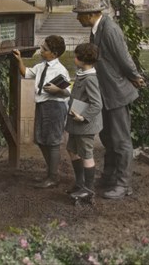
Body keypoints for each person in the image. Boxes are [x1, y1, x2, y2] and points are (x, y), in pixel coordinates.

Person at [73, 0, 144, 199]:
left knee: (121, 140)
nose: (78, 18)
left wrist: (135, 77)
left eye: (80, 15)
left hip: (117, 93)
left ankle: (123, 185)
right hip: (104, 93)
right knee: (107, 137)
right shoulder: (96, 31)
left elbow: (124, 57)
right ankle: (109, 177)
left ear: (92, 14)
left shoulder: (110, 29)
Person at [13, 35, 70, 188]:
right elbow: (26, 73)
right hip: (42, 105)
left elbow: (67, 92)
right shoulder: (41, 66)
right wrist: (19, 60)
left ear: (55, 54)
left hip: (55, 107)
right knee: (41, 139)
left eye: (45, 49)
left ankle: (53, 176)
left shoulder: (61, 70)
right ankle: (50, 173)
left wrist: (58, 89)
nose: (41, 50)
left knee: (52, 142)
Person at [65, 43, 102, 200]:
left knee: (86, 154)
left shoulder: (90, 79)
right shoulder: (82, 74)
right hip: (75, 122)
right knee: (72, 150)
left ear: (82, 59)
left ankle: (89, 189)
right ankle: (80, 183)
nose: (74, 58)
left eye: (76, 56)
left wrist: (84, 117)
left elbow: (97, 104)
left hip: (84, 124)